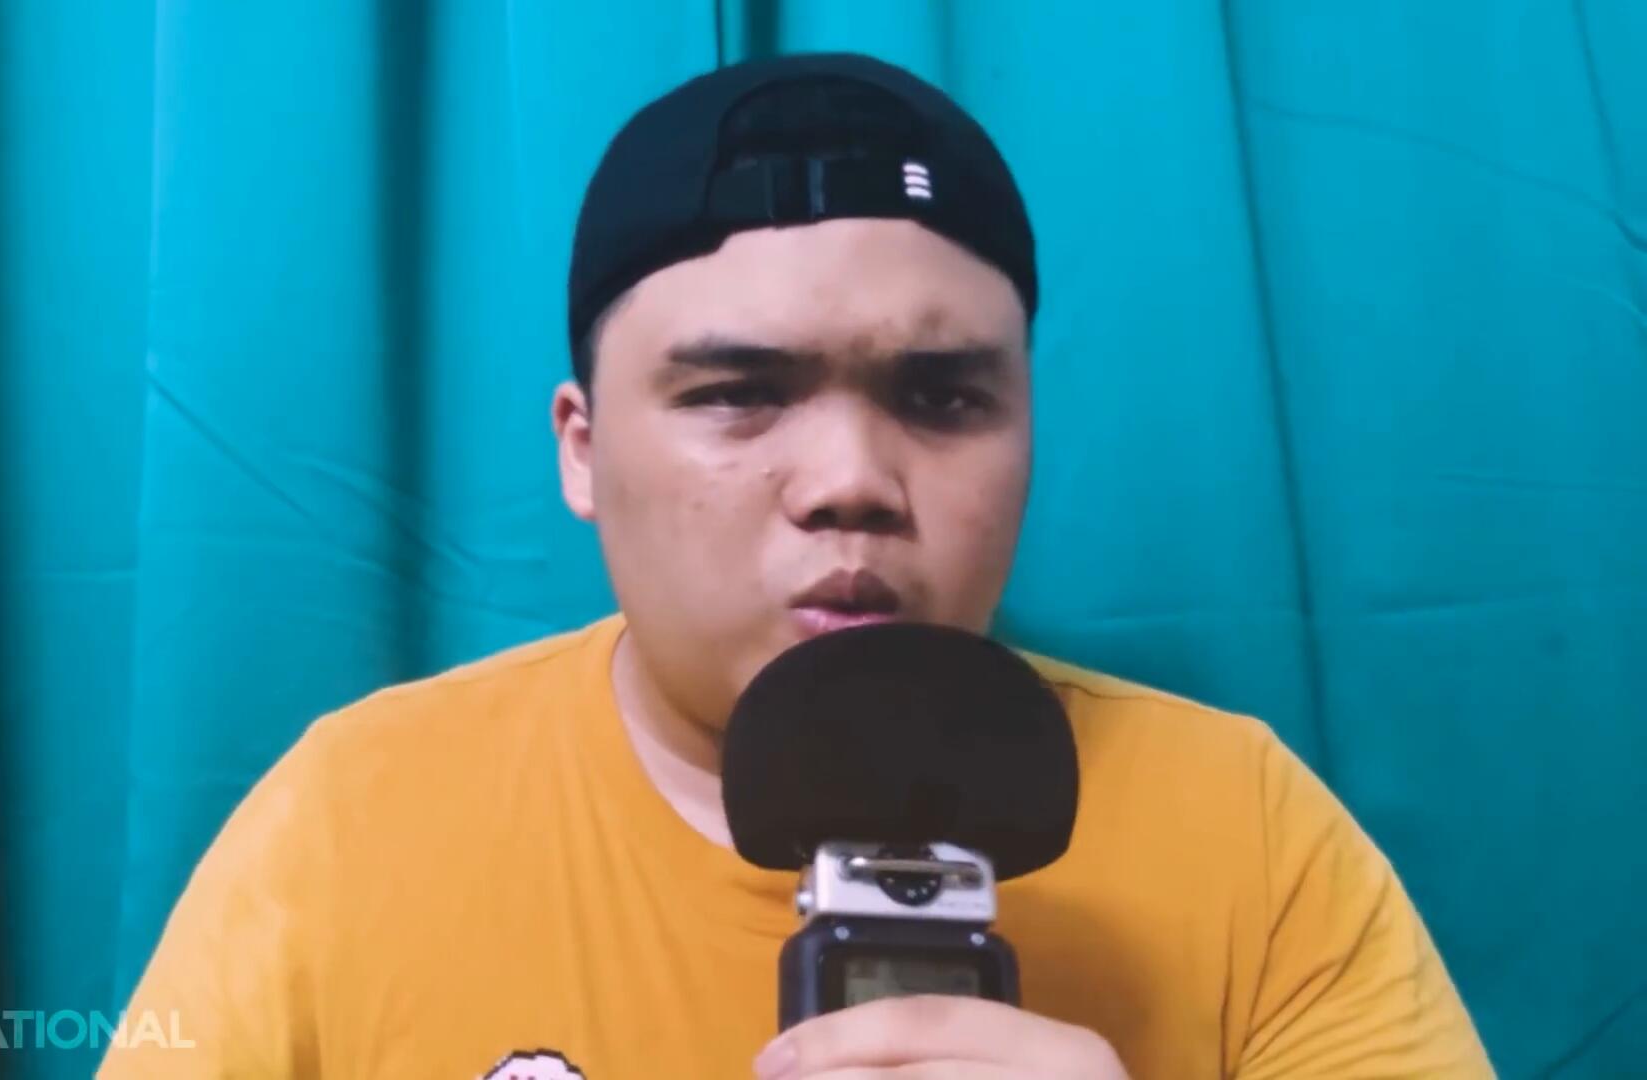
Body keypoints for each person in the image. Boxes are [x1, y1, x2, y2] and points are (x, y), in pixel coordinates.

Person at [99, 52, 1491, 1078]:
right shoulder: (351, 824)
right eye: (737, 394)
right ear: (582, 450)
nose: (850, 483)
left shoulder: (1253, 837)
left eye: (944, 398)